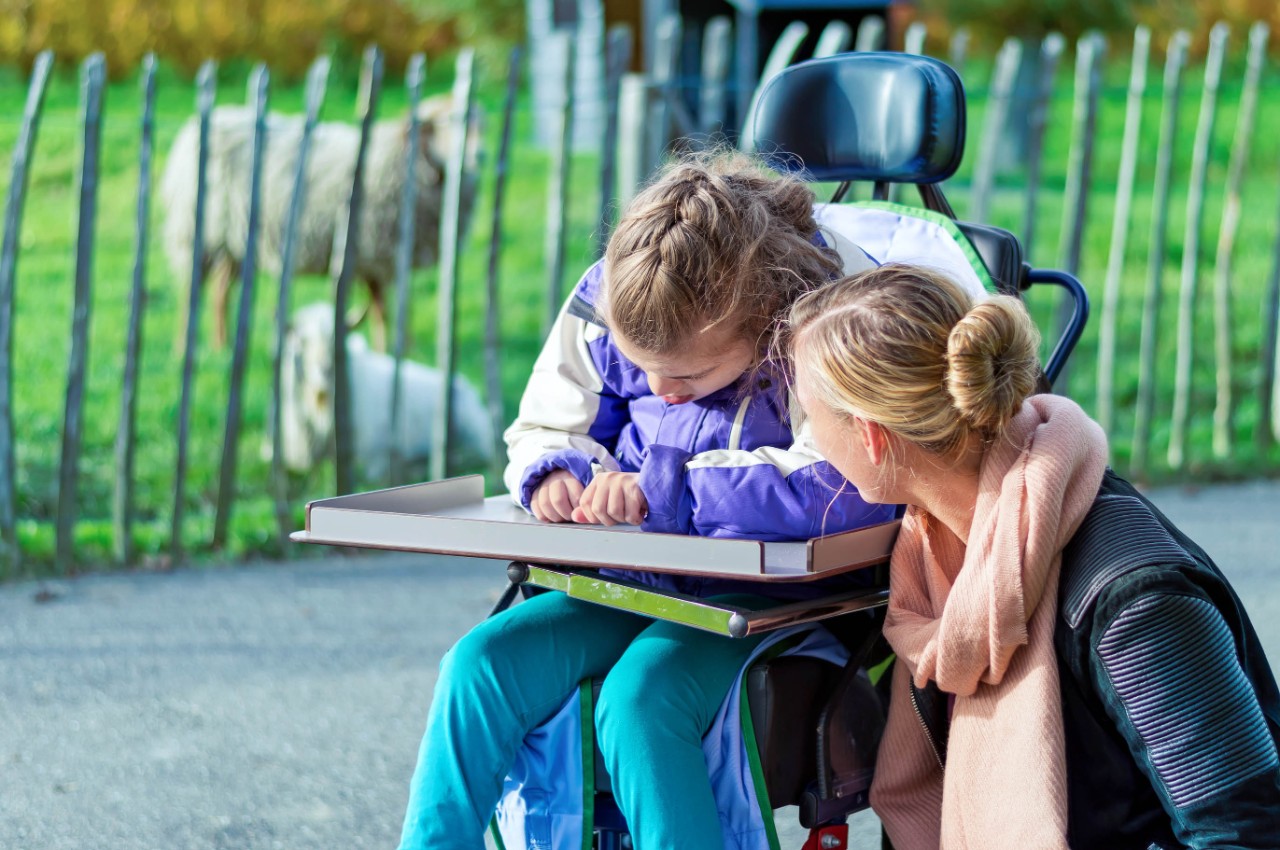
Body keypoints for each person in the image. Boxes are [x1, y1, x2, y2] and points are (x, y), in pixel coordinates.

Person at [395, 150, 898, 850]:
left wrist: (672, 492)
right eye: (642, 368)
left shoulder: (830, 314)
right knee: (479, 665)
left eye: (688, 373)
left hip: (766, 602)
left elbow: (848, 481)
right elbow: (548, 420)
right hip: (629, 580)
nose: (660, 389)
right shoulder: (625, 284)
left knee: (641, 700)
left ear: (763, 321)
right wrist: (555, 474)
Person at [787, 262, 1280, 849]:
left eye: (806, 413)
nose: (803, 436)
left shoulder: (1134, 603)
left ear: (871, 436)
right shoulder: (933, 556)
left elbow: (1244, 834)